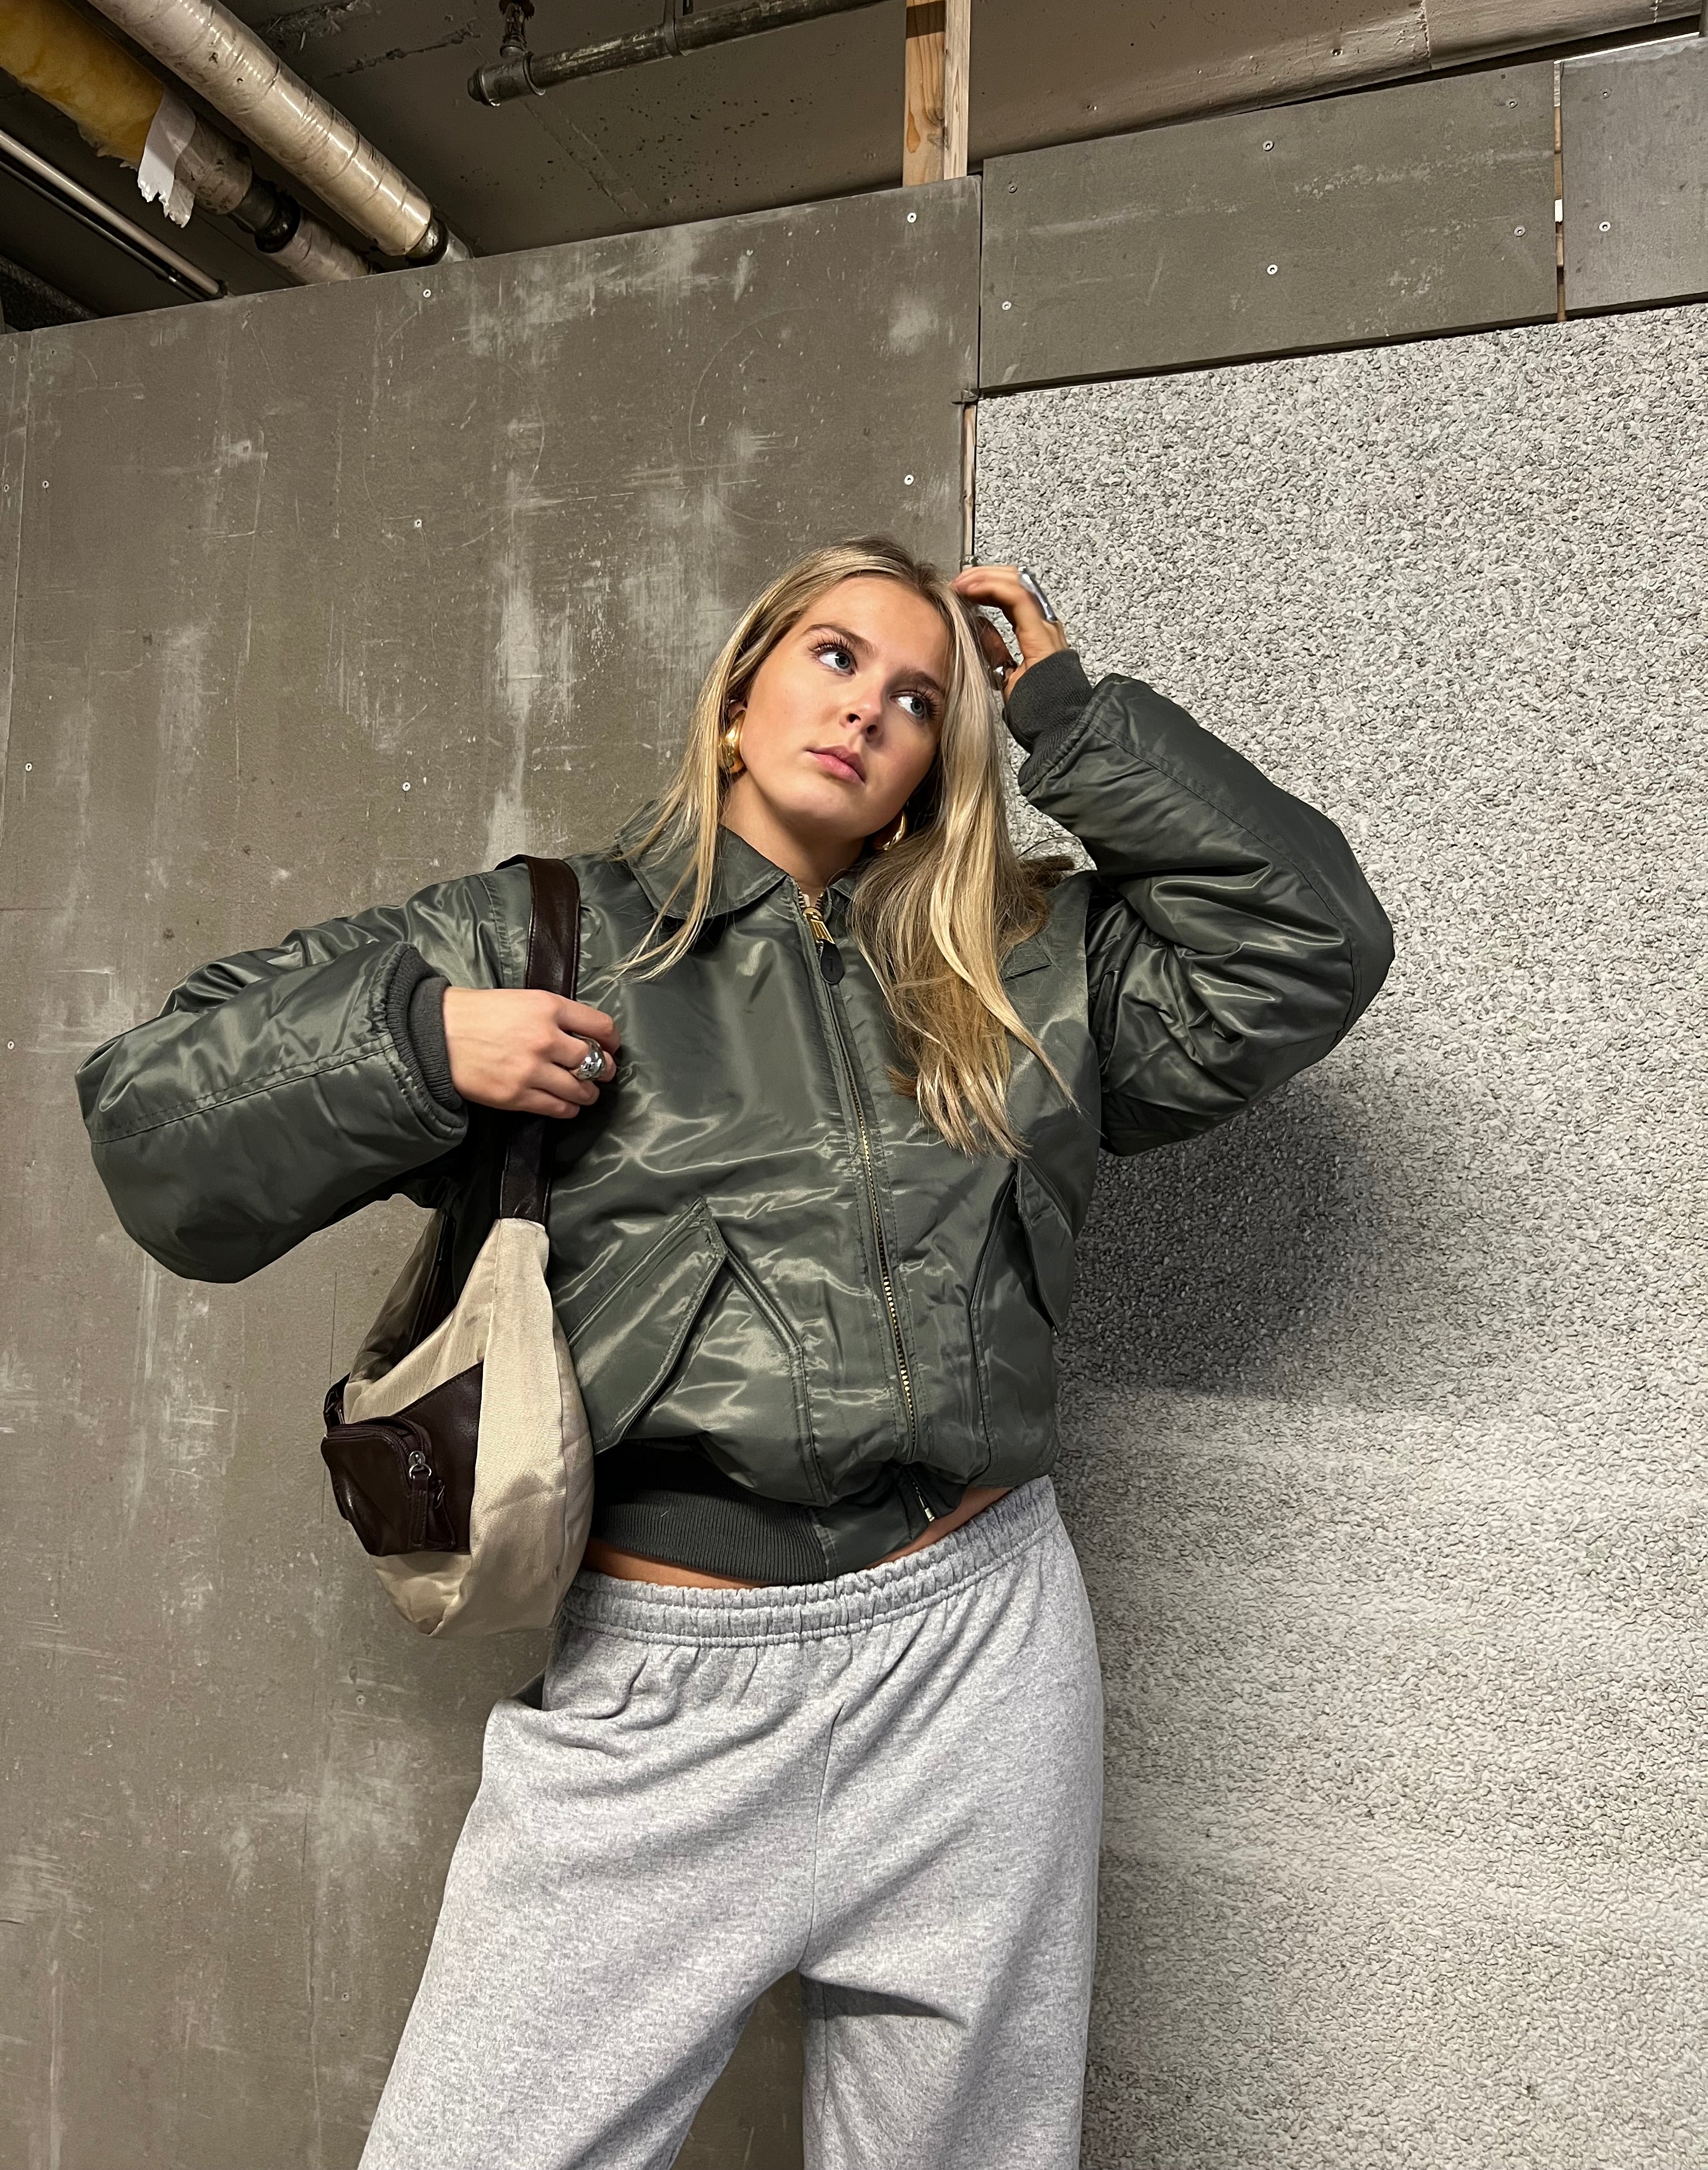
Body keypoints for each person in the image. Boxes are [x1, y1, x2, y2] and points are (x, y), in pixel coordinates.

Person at [77, 538, 1393, 2170]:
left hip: (981, 1653)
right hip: (669, 1680)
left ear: (935, 766)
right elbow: (152, 1119)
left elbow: (1311, 942)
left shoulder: (1021, 959)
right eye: (836, 658)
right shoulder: (544, 935)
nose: (869, 711)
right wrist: (420, 1041)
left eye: (921, 699)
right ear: (739, 694)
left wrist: (1066, 713)